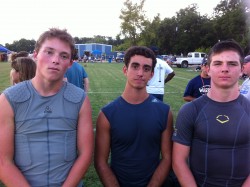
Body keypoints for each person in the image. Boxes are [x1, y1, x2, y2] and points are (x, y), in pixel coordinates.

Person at [0, 28, 94, 187]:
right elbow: (3, 160)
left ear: (70, 63)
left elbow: (85, 154)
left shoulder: (80, 99)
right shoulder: (9, 100)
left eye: (63, 56)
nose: (56, 60)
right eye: (49, 52)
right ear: (35, 54)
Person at [172, 40, 250, 187]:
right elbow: (179, 161)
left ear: (241, 70)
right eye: (218, 63)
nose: (225, 69)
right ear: (207, 69)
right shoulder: (190, 110)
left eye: (232, 64)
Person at [94, 46, 173, 186]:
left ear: (152, 74)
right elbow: (100, 162)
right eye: (135, 66)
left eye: (146, 68)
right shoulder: (107, 114)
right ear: (125, 70)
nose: (140, 73)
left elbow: (167, 158)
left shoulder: (164, 112)